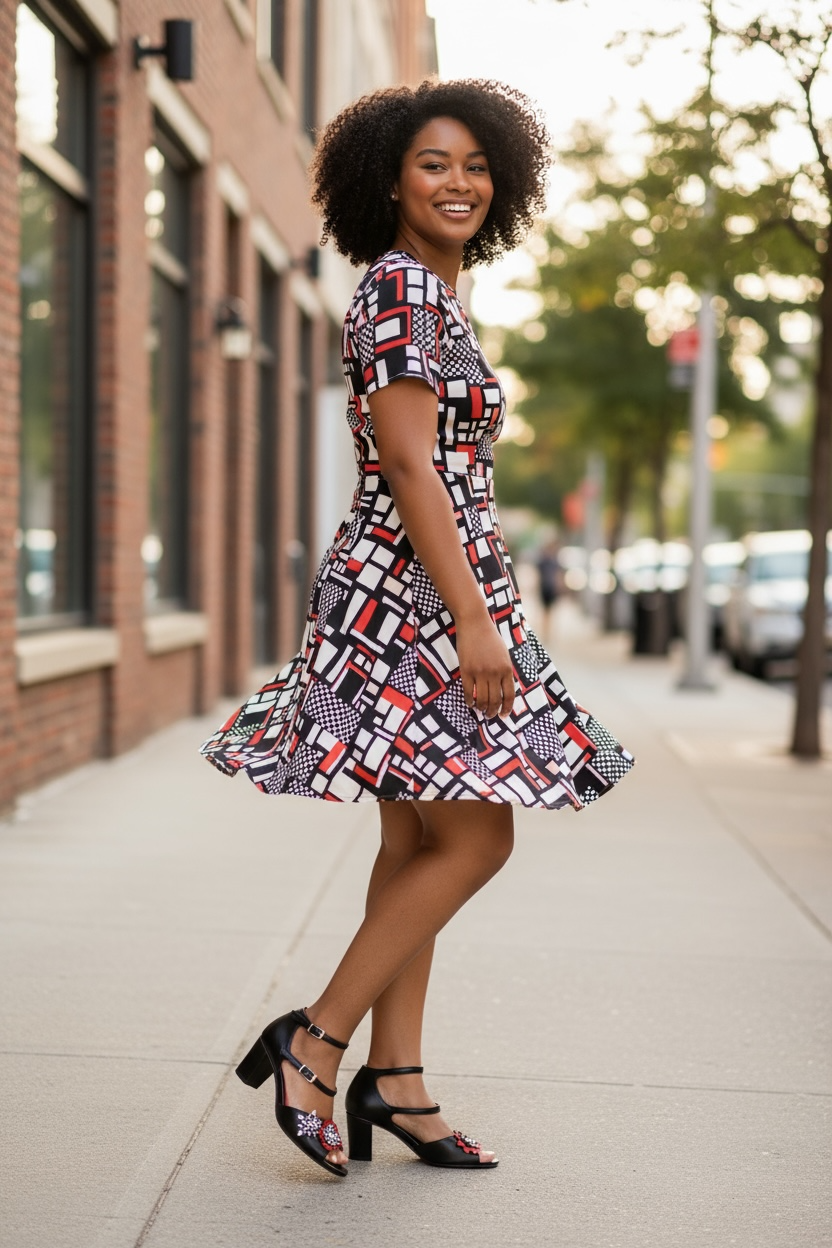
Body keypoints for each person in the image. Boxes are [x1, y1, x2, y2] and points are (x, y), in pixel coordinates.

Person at [200, 78, 634, 1178]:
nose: (458, 182)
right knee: (481, 835)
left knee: (416, 843)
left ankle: (397, 1082)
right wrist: (473, 623)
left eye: (476, 166)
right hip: (416, 600)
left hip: (418, 586)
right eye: (434, 164)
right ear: (386, 178)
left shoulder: (435, 292)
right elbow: (406, 465)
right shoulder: (400, 292)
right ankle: (316, 1039)